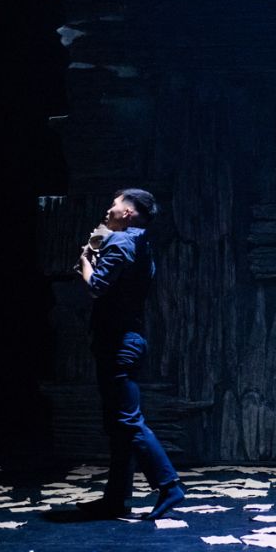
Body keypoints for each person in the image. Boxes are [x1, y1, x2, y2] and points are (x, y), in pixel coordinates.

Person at [76, 188, 184, 520]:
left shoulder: (121, 242)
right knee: (119, 426)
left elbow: (96, 287)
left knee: (127, 421)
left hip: (118, 342)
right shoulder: (138, 243)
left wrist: (85, 261)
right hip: (126, 340)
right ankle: (115, 500)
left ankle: (169, 485)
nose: (107, 209)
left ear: (127, 212)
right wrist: (97, 249)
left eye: (114, 205)